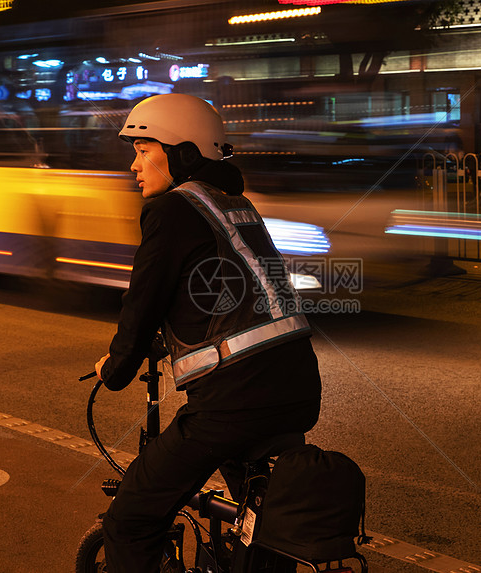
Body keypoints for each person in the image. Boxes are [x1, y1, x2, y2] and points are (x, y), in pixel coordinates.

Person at [93, 93, 322, 573]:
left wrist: (117, 368)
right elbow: (227, 294)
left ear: (182, 153)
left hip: (234, 401)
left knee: (131, 518)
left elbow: (144, 300)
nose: (133, 165)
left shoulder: (174, 209)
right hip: (297, 386)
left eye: (142, 150)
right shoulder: (234, 204)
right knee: (260, 522)